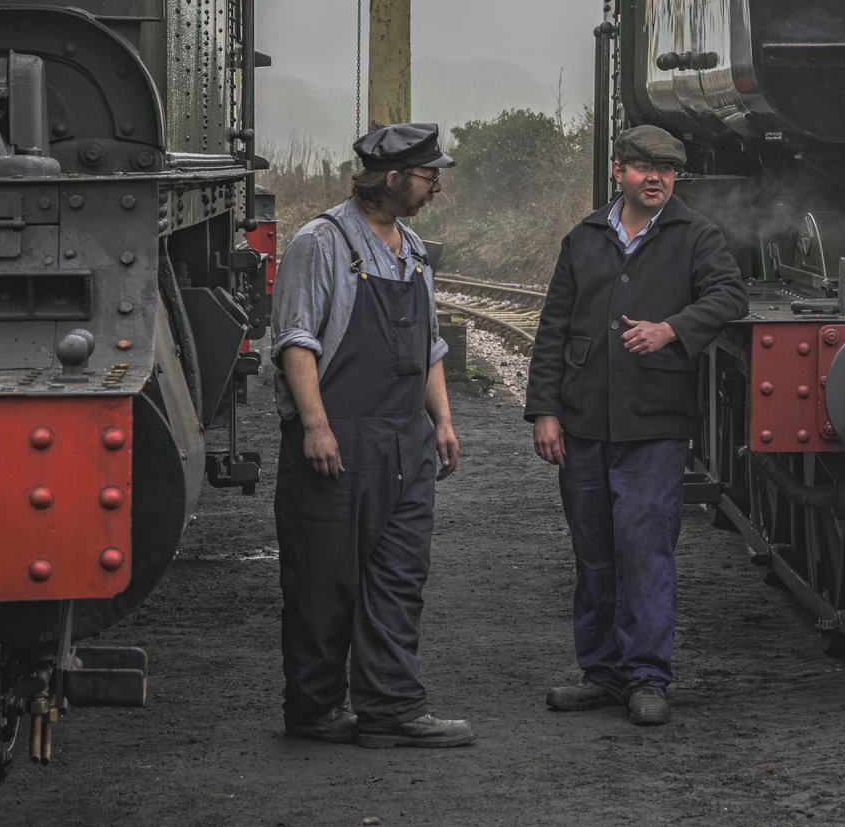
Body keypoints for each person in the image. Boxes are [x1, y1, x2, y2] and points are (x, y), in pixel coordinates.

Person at [525, 124, 747, 727]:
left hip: (655, 424)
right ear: (619, 170)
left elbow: (730, 297)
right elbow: (553, 330)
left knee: (645, 550)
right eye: (645, 167)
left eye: (668, 170)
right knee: (594, 551)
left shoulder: (694, 234)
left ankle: (647, 678)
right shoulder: (584, 239)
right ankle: (600, 674)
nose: (657, 178)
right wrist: (546, 411)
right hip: (583, 422)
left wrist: (672, 329)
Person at [268, 122, 473, 749]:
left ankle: (390, 707)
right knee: (325, 581)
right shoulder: (320, 243)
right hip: (340, 438)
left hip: (405, 438)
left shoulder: (411, 247)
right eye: (427, 174)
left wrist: (441, 419)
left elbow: (431, 343)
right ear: (392, 179)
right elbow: (296, 341)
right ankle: (316, 709)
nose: (436, 184)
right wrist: (317, 426)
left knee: (399, 576)